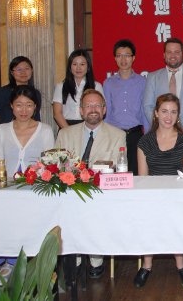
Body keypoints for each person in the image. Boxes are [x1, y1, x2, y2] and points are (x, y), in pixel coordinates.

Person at [55, 89, 125, 279]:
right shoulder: (65, 133)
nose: (93, 109)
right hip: (71, 192)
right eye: (88, 106)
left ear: (104, 110)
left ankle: (96, 256)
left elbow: (116, 168)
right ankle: (75, 255)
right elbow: (59, 166)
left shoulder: (118, 135)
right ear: (81, 111)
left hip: (101, 193)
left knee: (95, 209)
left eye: (97, 106)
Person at [0, 84, 54, 282]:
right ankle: (9, 263)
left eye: (28, 105)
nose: (23, 110)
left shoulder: (45, 130)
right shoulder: (1, 130)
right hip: (6, 189)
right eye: (19, 105)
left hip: (35, 190)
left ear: (35, 107)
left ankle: (29, 264)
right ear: (11, 106)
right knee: (3, 216)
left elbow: (48, 165)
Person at [134, 93, 183, 287]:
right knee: (148, 212)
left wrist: (171, 196)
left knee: (174, 211)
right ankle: (146, 264)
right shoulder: (144, 142)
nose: (168, 117)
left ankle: (181, 263)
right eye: (164, 111)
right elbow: (143, 180)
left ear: (178, 115)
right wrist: (154, 197)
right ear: (155, 114)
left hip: (179, 194)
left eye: (173, 112)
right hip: (152, 195)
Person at [142, 37, 183, 142]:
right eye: (169, 52)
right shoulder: (153, 77)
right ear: (164, 55)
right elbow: (148, 106)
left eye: (177, 52)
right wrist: (161, 128)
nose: (173, 55)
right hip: (160, 136)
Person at [103, 39, 148, 174]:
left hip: (136, 135)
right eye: (119, 55)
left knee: (136, 172)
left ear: (133, 58)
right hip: (114, 134)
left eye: (127, 55)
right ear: (115, 58)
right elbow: (107, 111)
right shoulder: (108, 83)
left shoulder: (143, 82)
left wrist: (148, 136)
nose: (123, 60)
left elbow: (145, 110)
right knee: (115, 171)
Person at [52, 49, 103, 129]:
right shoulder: (61, 86)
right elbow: (57, 113)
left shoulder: (96, 86)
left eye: (82, 64)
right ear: (70, 67)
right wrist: (69, 132)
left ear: (88, 66)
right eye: (75, 64)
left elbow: (100, 110)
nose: (78, 68)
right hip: (66, 126)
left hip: (89, 127)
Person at [0, 56, 42, 129]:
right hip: (7, 134)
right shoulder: (2, 93)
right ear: (12, 72)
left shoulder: (36, 93)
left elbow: (36, 117)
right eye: (19, 69)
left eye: (27, 68)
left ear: (32, 70)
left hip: (30, 133)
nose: (23, 72)